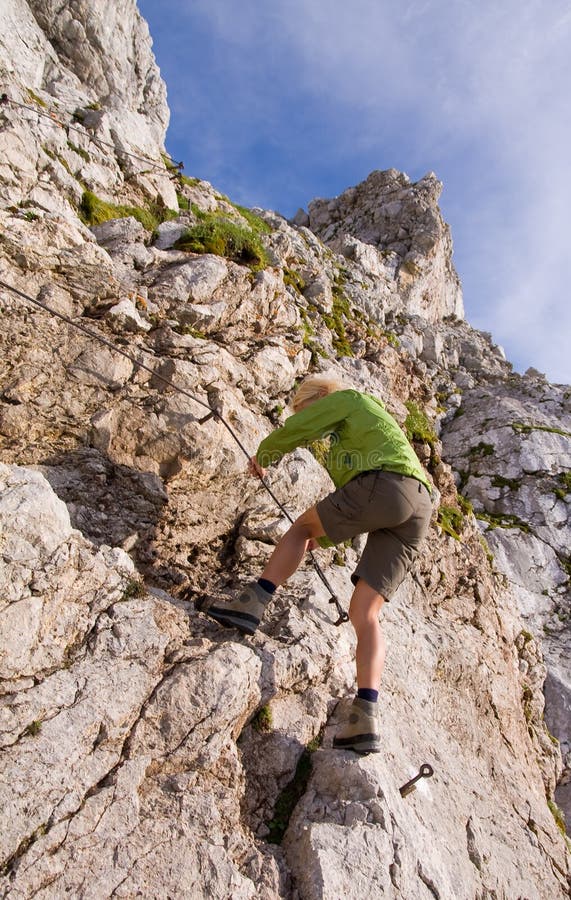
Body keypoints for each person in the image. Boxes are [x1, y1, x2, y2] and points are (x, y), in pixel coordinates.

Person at [207, 374, 432, 754]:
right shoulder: (368, 426)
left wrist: (264, 456)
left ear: (317, 398)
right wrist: (323, 537)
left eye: (304, 406)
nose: (314, 425)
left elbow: (302, 428)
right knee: (365, 613)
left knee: (298, 529)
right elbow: (364, 505)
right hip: (419, 506)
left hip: (387, 483)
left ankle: (251, 604)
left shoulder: (348, 400)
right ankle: (365, 717)